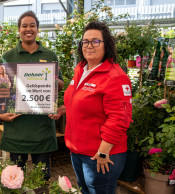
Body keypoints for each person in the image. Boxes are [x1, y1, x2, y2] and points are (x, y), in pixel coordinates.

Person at [49, 21, 132, 194]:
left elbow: (120, 119)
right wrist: (64, 109)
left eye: (95, 41)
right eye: (85, 42)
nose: (89, 45)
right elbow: (81, 101)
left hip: (100, 155)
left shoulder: (115, 76)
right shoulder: (81, 69)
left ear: (106, 45)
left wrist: (103, 152)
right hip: (78, 151)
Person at [0, 11, 64, 182]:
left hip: (41, 129)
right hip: (16, 129)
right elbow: (0, 88)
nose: (28, 29)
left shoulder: (49, 56)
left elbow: (61, 84)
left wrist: (47, 80)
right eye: (24, 26)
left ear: (37, 29)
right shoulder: (7, 57)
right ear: (18, 30)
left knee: (41, 179)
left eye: (32, 25)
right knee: (14, 180)